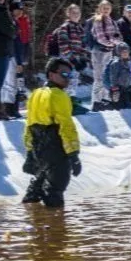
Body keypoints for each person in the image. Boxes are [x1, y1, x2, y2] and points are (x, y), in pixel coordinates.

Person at [22, 57, 82, 208]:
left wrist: (30, 153)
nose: (67, 79)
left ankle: (30, 221)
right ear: (50, 75)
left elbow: (29, 125)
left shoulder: (35, 94)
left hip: (38, 149)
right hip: (55, 147)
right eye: (64, 74)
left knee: (35, 190)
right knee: (55, 190)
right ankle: (55, 228)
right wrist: (74, 154)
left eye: (70, 75)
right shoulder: (59, 95)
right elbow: (67, 126)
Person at [102, 42, 131, 110]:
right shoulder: (115, 63)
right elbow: (113, 77)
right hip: (118, 89)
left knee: (129, 106)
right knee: (120, 107)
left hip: (127, 88)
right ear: (119, 53)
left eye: (127, 51)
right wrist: (114, 89)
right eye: (123, 52)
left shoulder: (128, 62)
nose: (125, 53)